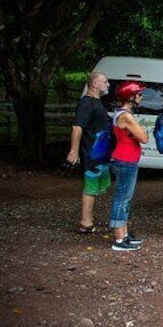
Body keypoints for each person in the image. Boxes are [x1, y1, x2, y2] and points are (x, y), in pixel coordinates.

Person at [67, 71, 111, 234]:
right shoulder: (86, 102)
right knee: (90, 187)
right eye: (105, 82)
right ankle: (85, 222)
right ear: (94, 84)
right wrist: (74, 150)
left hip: (100, 153)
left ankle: (90, 218)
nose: (108, 85)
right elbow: (77, 127)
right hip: (91, 153)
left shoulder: (97, 102)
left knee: (96, 187)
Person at [109, 80, 149, 251]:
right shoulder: (126, 116)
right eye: (139, 94)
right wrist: (140, 132)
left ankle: (124, 234)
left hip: (125, 159)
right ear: (130, 97)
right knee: (122, 198)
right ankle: (119, 239)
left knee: (125, 198)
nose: (141, 96)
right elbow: (145, 138)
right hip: (126, 160)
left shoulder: (121, 113)